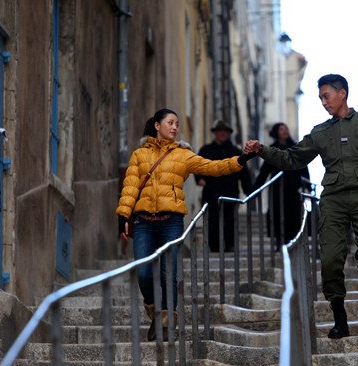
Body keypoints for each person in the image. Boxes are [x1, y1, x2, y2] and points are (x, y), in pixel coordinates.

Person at [244, 74, 358, 339]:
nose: (323, 102)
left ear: (342, 93)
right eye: (320, 98)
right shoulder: (320, 132)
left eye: (326, 96)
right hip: (334, 200)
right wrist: (262, 150)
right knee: (329, 260)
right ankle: (339, 317)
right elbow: (292, 158)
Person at [116, 108, 255, 341]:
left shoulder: (183, 155)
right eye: (170, 123)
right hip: (143, 222)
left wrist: (241, 159)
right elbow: (130, 188)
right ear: (157, 126)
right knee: (143, 273)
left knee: (168, 274)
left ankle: (169, 320)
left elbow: (214, 167)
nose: (175, 127)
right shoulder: (139, 155)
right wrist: (123, 217)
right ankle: (154, 312)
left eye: (177, 124)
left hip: (171, 221)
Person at [194, 120, 252, 252]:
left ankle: (230, 245)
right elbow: (197, 166)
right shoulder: (206, 150)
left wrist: (248, 190)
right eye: (219, 132)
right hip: (211, 192)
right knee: (212, 221)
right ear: (215, 133)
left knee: (230, 221)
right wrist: (200, 179)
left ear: (228, 134)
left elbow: (244, 174)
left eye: (225, 132)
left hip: (230, 192)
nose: (222, 134)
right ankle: (214, 248)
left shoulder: (236, 151)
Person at [253, 122, 310, 249]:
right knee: (276, 214)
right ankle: (279, 241)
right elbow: (264, 171)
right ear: (276, 132)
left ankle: (292, 242)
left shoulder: (296, 148)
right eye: (281, 129)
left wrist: (308, 186)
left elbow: (303, 167)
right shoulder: (272, 149)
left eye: (286, 128)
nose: (284, 131)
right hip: (277, 188)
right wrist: (254, 188)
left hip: (293, 188)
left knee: (293, 214)